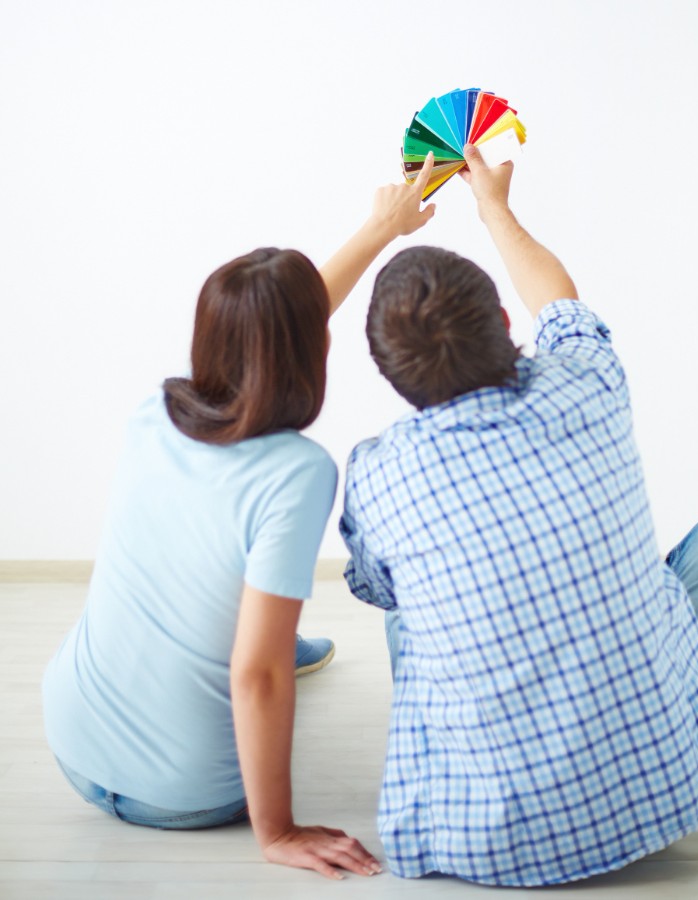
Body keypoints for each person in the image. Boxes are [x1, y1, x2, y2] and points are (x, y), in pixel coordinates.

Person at [339, 143, 698, 886]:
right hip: (661, 799)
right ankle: (656, 738)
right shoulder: (586, 378)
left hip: (482, 844)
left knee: (407, 609)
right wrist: (494, 208)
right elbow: (561, 301)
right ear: (505, 320)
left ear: (390, 374)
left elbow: (378, 590)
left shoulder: (378, 473)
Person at [42, 153, 437, 880]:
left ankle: (276, 645)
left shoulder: (155, 411)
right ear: (316, 350)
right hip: (185, 795)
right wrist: (277, 831)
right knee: (267, 649)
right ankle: (278, 663)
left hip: (70, 741)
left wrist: (380, 228)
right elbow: (256, 674)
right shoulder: (298, 471)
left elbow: (277, 325)